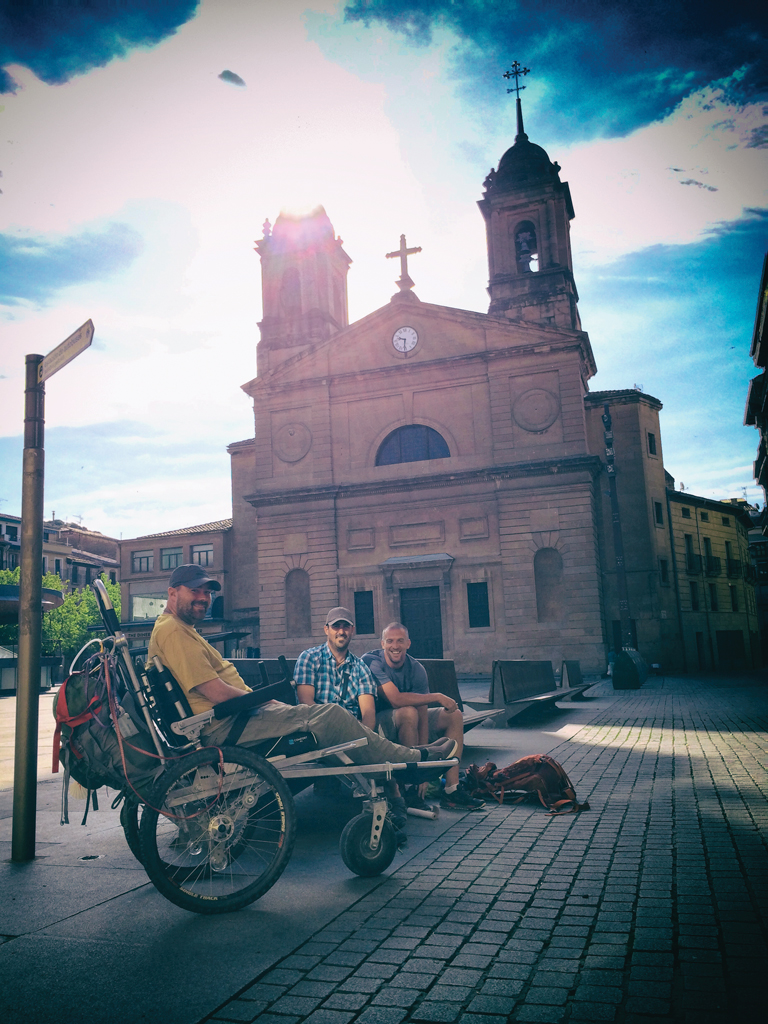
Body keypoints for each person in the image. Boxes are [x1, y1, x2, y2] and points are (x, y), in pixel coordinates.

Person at [146, 566, 457, 768]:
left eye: (208, 592)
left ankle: (404, 760)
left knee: (330, 716)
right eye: (195, 591)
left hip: (235, 717)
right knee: (330, 714)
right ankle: (412, 761)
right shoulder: (173, 630)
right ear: (172, 593)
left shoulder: (179, 629)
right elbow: (215, 692)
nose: (204, 598)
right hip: (227, 724)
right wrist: (263, 700)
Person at [364, 622, 485, 811]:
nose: (395, 646)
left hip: (408, 720)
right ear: (382, 644)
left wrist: (424, 769)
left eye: (400, 641)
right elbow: (395, 699)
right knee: (408, 712)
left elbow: (422, 713)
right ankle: (410, 789)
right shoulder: (372, 661)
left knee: (454, 715)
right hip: (379, 725)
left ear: (408, 644)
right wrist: (437, 696)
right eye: (390, 641)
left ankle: (452, 790)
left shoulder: (416, 668)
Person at [294, 607, 377, 727]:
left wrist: (364, 739)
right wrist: (334, 726)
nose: (341, 632)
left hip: (352, 734)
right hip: (316, 728)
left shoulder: (361, 668)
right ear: (326, 629)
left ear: (352, 630)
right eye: (336, 626)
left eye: (346, 626)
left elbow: (368, 713)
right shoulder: (309, 658)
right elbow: (306, 703)